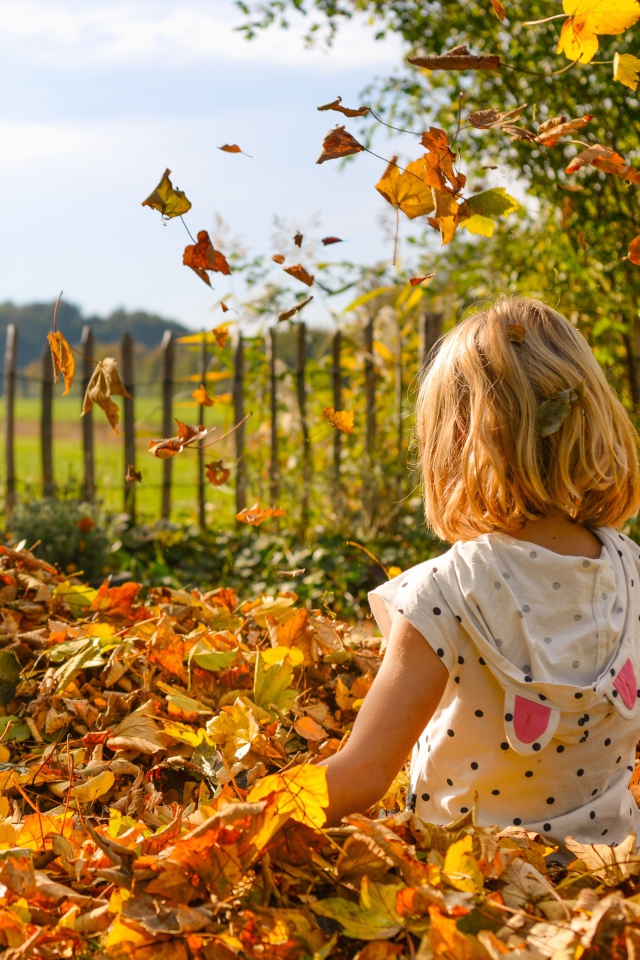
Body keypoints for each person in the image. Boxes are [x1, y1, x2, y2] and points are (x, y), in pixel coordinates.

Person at [317, 296, 640, 856]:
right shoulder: (631, 570)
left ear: (459, 440)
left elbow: (364, 773)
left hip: (467, 887)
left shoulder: (442, 592)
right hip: (610, 874)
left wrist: (245, 815)